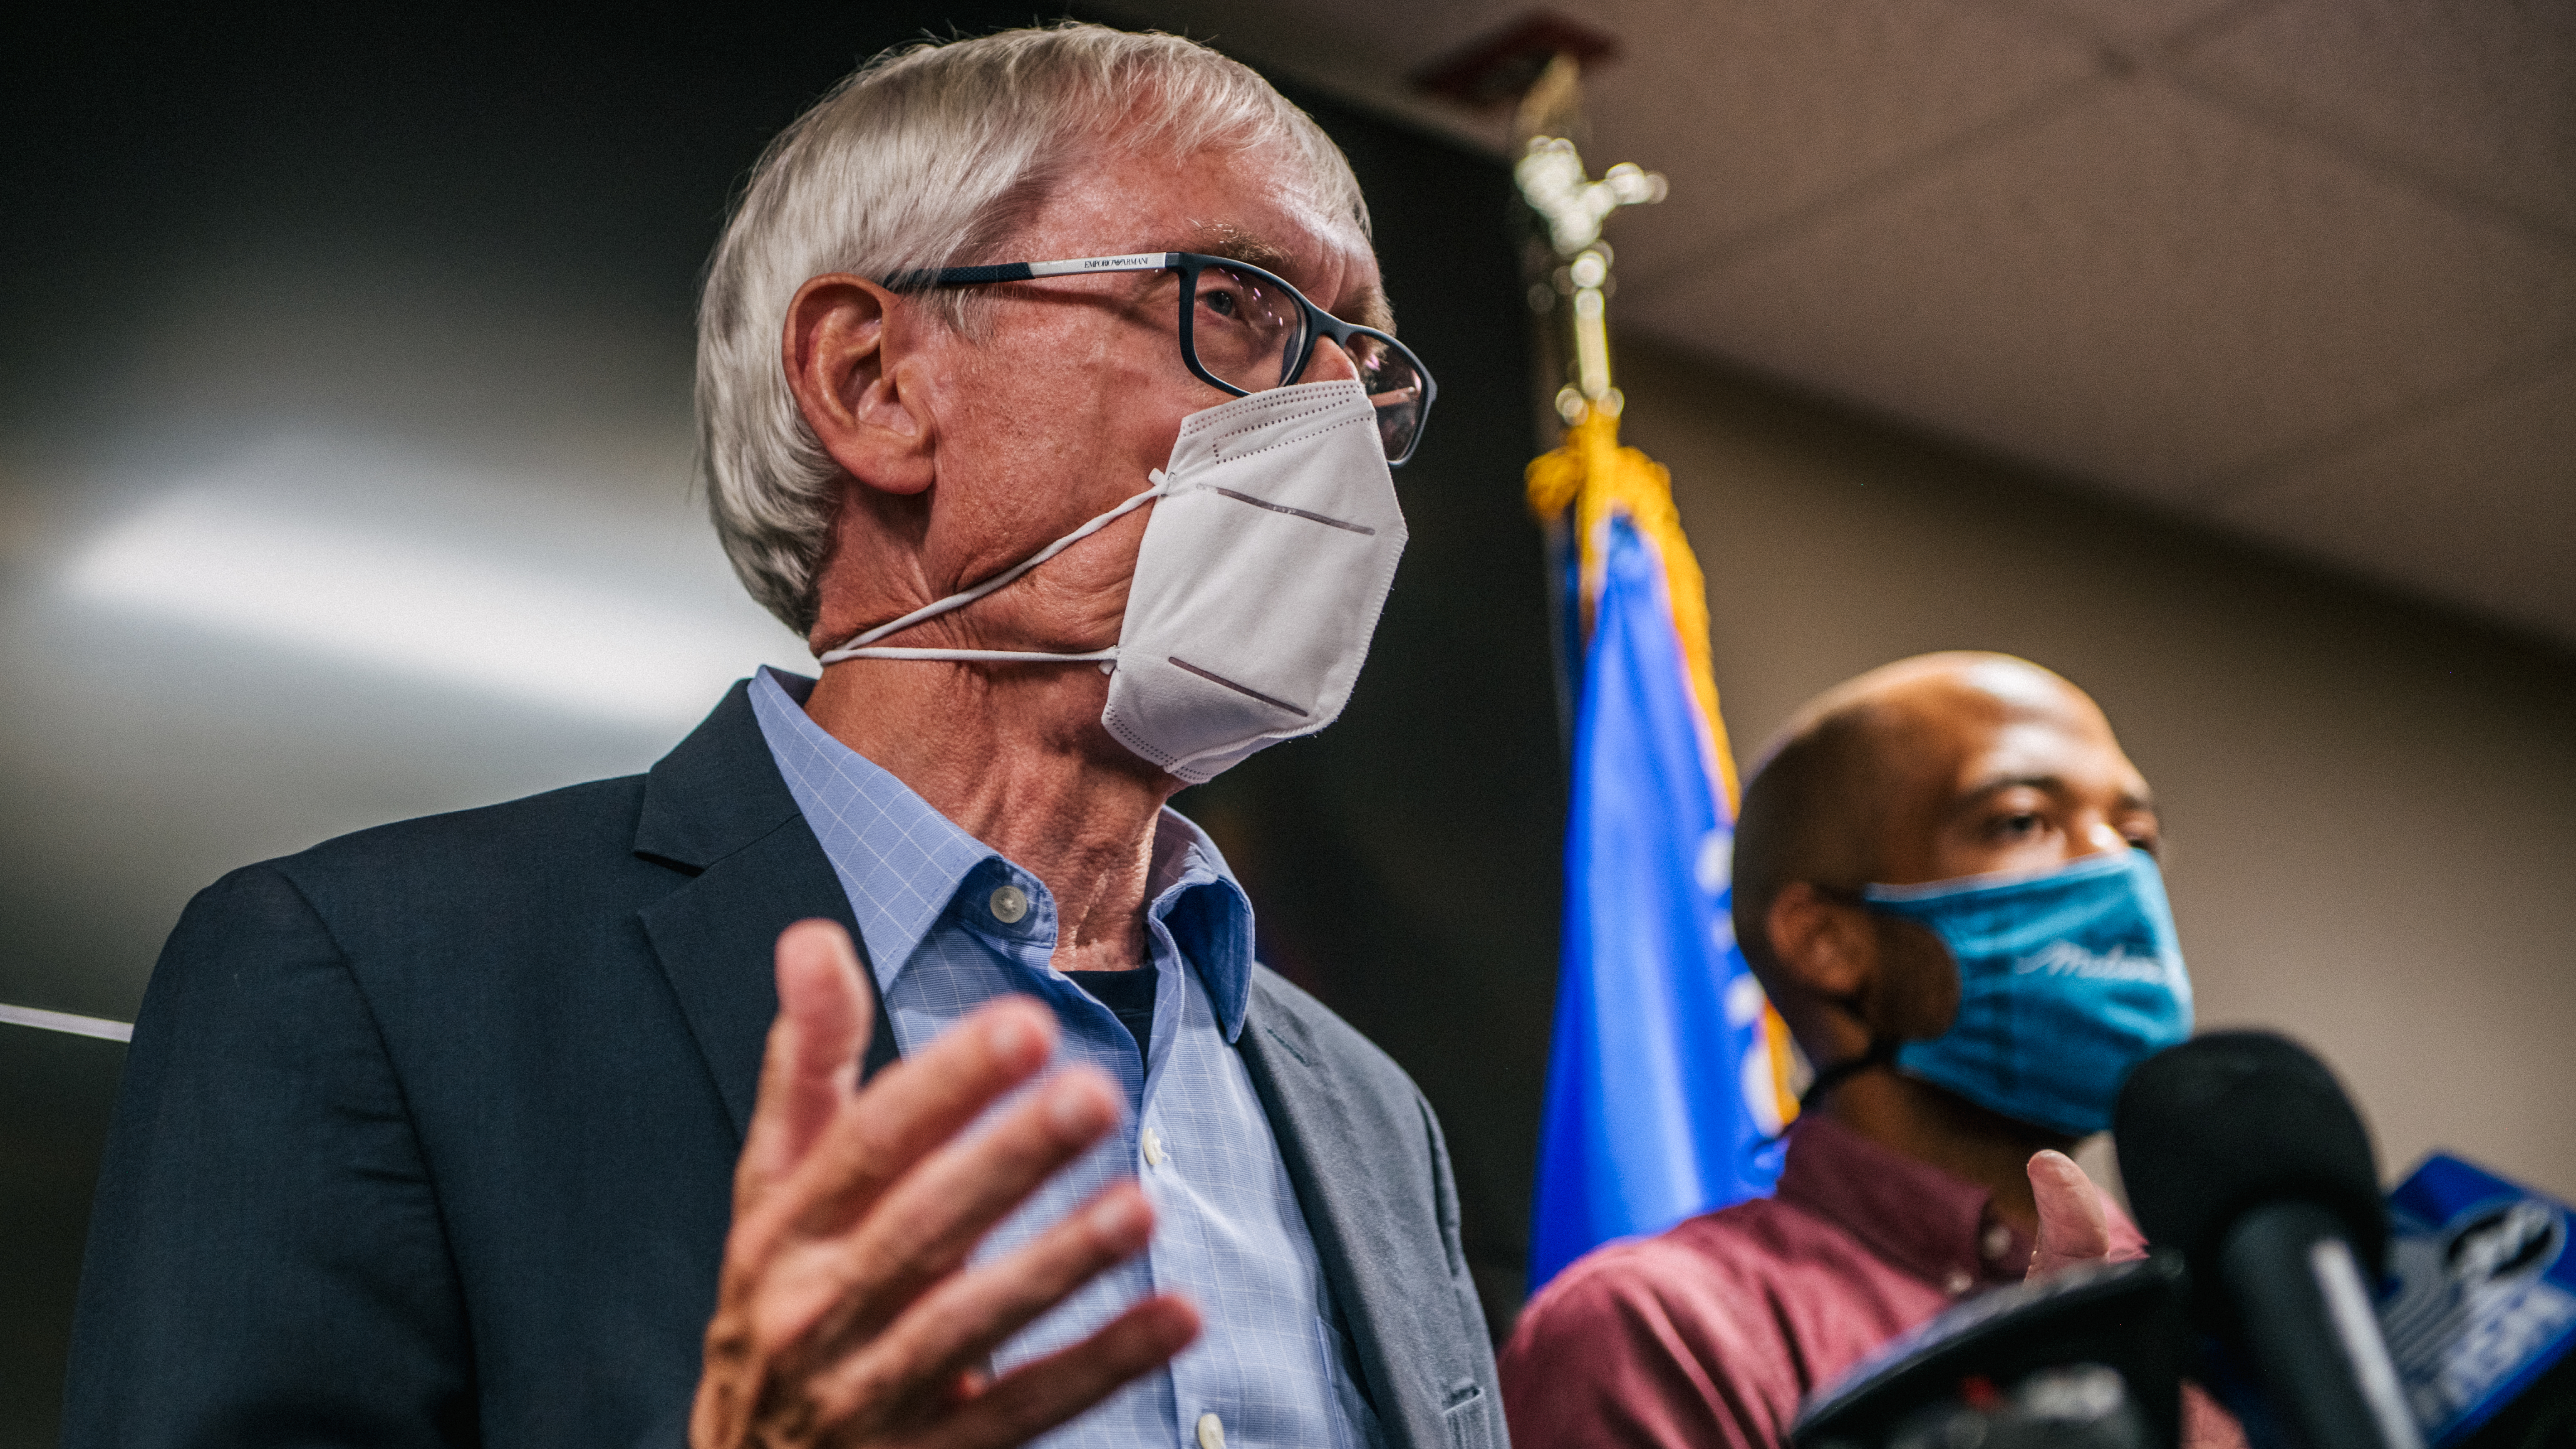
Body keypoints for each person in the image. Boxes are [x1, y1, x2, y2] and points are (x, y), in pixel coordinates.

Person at [65, 25, 1503, 1449]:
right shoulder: (361, 985)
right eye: (1242, 302)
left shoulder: (1375, 1122)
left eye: (1365, 365)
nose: (1334, 420)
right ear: (875, 381)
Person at [1499, 651, 2232, 1448]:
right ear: (1827, 941)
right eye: (2023, 822)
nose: (2117, 870)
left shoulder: (2223, 1330)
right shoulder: (1664, 1333)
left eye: (2139, 839)